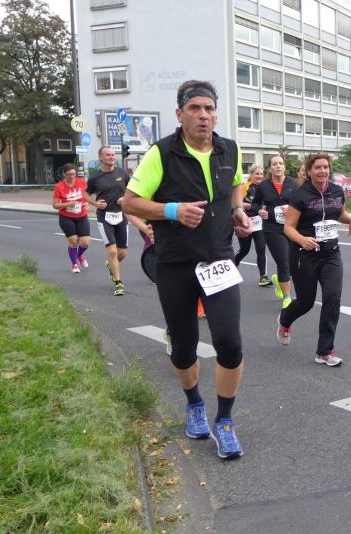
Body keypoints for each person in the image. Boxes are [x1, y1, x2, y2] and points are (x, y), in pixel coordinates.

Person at [122, 80, 251, 460]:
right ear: (180, 114)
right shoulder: (161, 153)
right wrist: (172, 210)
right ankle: (194, 402)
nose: (203, 115)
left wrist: (237, 210)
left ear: (216, 115)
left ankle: (224, 421)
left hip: (219, 261)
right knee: (183, 346)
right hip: (176, 263)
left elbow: (236, 184)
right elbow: (130, 202)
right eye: (195, 108)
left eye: (209, 109)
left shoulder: (230, 149)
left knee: (230, 343)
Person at [277, 153, 351, 367]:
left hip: (331, 253)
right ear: (309, 171)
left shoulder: (336, 191)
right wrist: (302, 240)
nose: (322, 171)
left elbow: (339, 213)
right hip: (304, 254)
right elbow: (288, 227)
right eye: (317, 168)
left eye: (325, 167)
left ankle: (324, 351)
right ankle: (285, 319)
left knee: (333, 298)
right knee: (306, 302)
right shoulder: (300, 195)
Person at [85, 145, 133, 296]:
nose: (112, 157)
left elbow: (132, 191)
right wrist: (95, 204)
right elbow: (86, 194)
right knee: (112, 251)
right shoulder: (95, 177)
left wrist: (125, 199)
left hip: (121, 215)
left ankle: (110, 264)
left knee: (122, 253)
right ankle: (118, 283)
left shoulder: (122, 173)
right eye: (108, 155)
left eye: (113, 154)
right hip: (104, 217)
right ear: (101, 158)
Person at [251, 155, 296, 308]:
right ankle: (287, 297)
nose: (278, 166)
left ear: (284, 167)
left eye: (280, 163)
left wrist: (291, 208)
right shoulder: (263, 186)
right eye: (274, 164)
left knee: (293, 262)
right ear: (270, 168)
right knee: (283, 261)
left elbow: (302, 203)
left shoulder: (293, 184)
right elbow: (255, 204)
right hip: (272, 229)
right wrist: (259, 211)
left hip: (292, 227)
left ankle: (279, 281)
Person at [233, 164, 270, 287]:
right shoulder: (245, 186)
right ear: (251, 174)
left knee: (261, 248)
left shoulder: (264, 187)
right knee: (244, 250)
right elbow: (237, 203)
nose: (259, 176)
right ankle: (232, 267)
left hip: (258, 222)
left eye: (261, 174)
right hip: (245, 221)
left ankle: (263, 277)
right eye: (257, 174)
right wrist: (252, 206)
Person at [52, 164, 91, 273]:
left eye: (73, 174)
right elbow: (55, 205)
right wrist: (67, 204)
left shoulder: (82, 182)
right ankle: (74, 264)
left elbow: (87, 196)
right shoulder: (59, 187)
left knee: (85, 242)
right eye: (69, 174)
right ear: (64, 174)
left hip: (82, 216)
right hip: (66, 217)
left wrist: (87, 203)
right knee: (73, 241)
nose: (72, 176)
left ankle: (79, 255)